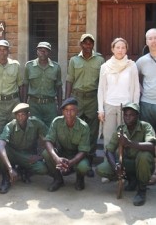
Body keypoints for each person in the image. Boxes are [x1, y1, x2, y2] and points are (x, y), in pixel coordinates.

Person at [96, 103, 155, 206]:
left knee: (144, 156)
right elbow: (109, 150)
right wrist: (115, 167)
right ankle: (131, 179)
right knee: (102, 168)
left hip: (143, 164)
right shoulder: (121, 129)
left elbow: (151, 146)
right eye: (126, 115)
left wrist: (129, 143)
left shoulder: (145, 126)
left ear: (137, 116)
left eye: (131, 115)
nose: (128, 117)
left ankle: (141, 190)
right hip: (127, 163)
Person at [65, 33, 105, 177]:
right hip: (77, 98)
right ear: (81, 44)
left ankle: (88, 163)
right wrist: (67, 100)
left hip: (93, 98)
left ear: (93, 45)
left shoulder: (100, 60)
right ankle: (74, 161)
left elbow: (103, 82)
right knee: (74, 128)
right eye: (85, 43)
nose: (88, 46)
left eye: (90, 43)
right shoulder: (74, 60)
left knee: (92, 132)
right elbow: (69, 80)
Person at [0, 39, 23, 178]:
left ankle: (16, 166)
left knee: (15, 136)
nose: (2, 52)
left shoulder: (15, 65)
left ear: (8, 51)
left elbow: (21, 85)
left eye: (5, 49)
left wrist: (22, 106)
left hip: (13, 103)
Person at [0, 103, 48, 194]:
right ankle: (6, 178)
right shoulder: (10, 126)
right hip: (13, 154)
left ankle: (23, 171)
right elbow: (0, 146)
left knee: (42, 169)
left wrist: (40, 156)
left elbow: (49, 139)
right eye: (18, 115)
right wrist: (10, 168)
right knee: (0, 152)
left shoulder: (36, 123)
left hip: (28, 156)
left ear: (28, 115)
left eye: (23, 115)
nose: (20, 118)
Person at [98, 38, 140, 148]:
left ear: (126, 49)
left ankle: (121, 163)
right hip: (109, 105)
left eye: (123, 47)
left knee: (124, 137)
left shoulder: (132, 66)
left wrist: (135, 107)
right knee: (109, 137)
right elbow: (101, 89)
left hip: (126, 106)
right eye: (117, 47)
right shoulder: (105, 67)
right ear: (112, 49)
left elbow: (136, 88)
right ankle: (108, 163)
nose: (120, 50)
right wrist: (101, 109)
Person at [43, 97, 90, 192]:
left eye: (72, 110)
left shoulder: (84, 127)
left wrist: (71, 163)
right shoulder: (57, 122)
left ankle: (80, 179)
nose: (68, 113)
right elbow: (48, 141)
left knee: (83, 167)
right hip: (62, 153)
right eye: (66, 110)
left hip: (77, 156)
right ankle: (58, 179)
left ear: (77, 111)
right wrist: (56, 158)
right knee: (46, 153)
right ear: (63, 112)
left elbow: (83, 151)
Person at [23, 42, 62, 127]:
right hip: (34, 104)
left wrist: (60, 106)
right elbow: (25, 86)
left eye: (45, 51)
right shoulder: (29, 66)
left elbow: (59, 87)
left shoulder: (56, 67)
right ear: (37, 51)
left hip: (50, 105)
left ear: (49, 52)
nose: (43, 52)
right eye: (40, 50)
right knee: (34, 130)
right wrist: (24, 105)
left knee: (51, 130)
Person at [136, 28, 156, 184]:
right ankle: (149, 172)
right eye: (150, 38)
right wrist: (141, 91)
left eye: (155, 37)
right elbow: (134, 78)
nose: (153, 41)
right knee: (149, 139)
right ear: (146, 41)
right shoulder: (141, 61)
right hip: (147, 104)